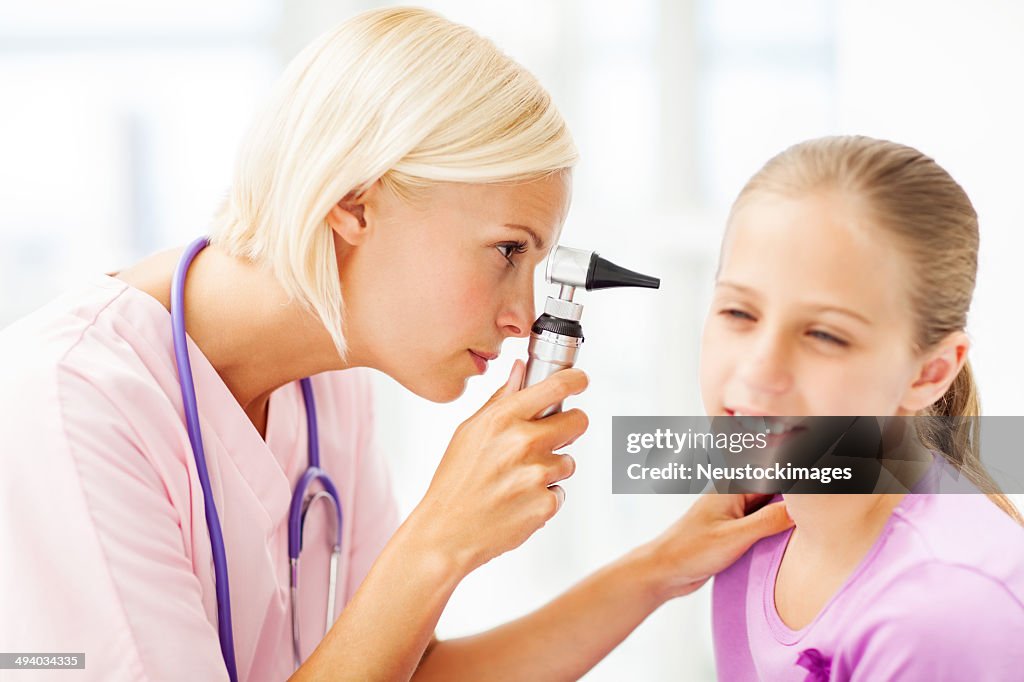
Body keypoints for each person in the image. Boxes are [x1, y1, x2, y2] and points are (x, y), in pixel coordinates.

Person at [0, 8, 793, 680]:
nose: (523, 315)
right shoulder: (68, 402)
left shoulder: (328, 381)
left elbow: (405, 669)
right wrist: (439, 537)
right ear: (354, 203)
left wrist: (663, 566)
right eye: (508, 251)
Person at [702, 135, 1024, 680]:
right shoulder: (752, 518)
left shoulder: (950, 608)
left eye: (825, 335)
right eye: (739, 312)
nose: (759, 370)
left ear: (930, 372)